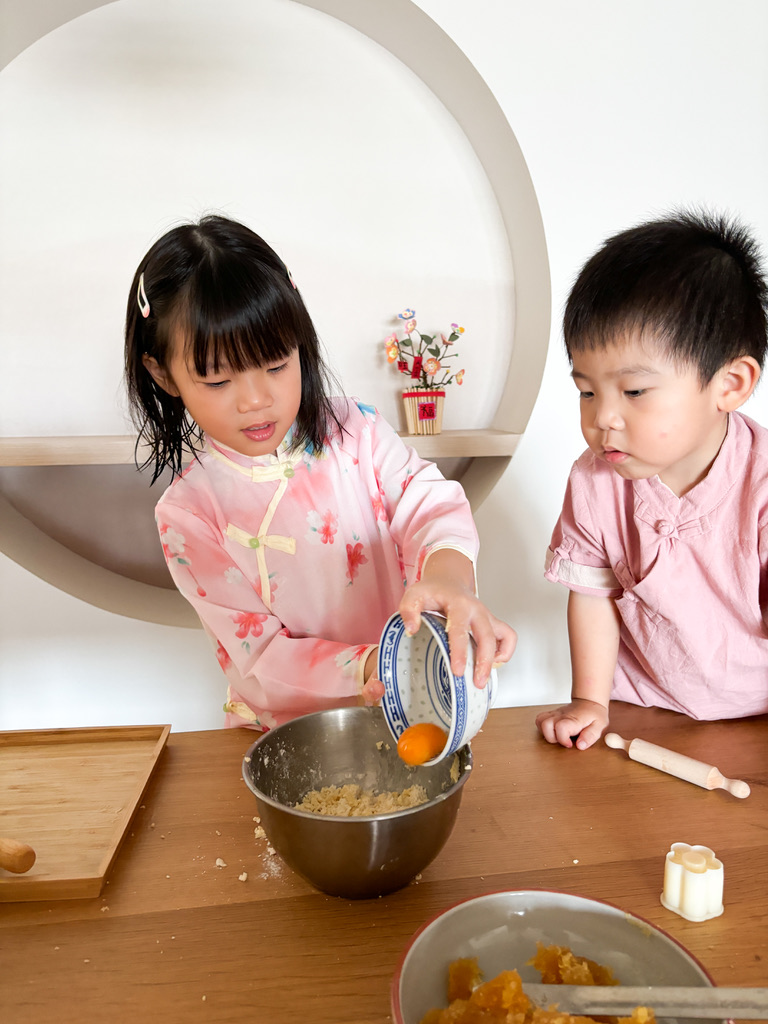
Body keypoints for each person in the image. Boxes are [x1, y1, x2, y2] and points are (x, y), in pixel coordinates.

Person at [124, 214, 516, 730]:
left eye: (276, 365)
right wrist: (370, 667)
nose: (256, 400)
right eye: (218, 381)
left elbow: (429, 504)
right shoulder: (188, 514)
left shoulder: (357, 431)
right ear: (163, 374)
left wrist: (448, 579)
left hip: (408, 708)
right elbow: (260, 658)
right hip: (283, 732)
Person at [537, 209, 768, 750]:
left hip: (758, 709)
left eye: (634, 392)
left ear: (730, 384)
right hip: (645, 706)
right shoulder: (595, 480)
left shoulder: (760, 481)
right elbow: (592, 596)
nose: (602, 418)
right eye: (586, 391)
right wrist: (590, 701)